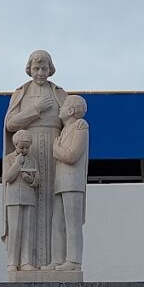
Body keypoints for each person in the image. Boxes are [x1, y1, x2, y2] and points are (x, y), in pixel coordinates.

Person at [3, 50, 67, 268]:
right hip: (27, 147)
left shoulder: (59, 93)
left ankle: (55, 260)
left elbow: (70, 120)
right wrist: (36, 110)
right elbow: (11, 124)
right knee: (28, 204)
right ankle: (24, 261)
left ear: (51, 69)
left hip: (54, 147)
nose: (40, 72)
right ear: (29, 68)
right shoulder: (22, 92)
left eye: (44, 68)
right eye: (36, 68)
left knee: (53, 201)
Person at [46, 95, 88, 272]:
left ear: (71, 111)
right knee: (58, 223)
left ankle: (74, 260)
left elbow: (71, 156)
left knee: (72, 223)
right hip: (61, 182)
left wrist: (55, 149)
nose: (60, 109)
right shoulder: (64, 130)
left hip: (73, 182)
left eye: (63, 107)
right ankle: (57, 259)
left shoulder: (81, 127)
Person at [2, 130, 40, 271]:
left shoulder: (32, 159)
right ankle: (12, 262)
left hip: (29, 197)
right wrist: (17, 164)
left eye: (27, 147)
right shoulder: (8, 159)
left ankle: (26, 261)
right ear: (15, 145)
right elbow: (7, 178)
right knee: (15, 230)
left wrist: (31, 179)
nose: (24, 150)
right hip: (13, 199)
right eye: (21, 147)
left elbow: (37, 180)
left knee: (28, 230)